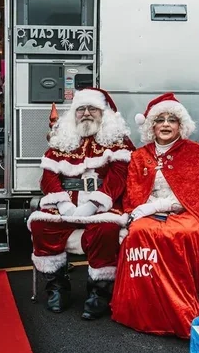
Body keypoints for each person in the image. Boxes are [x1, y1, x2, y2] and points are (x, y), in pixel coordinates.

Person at [111, 92, 199, 339]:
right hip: (148, 213)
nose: (165, 125)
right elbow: (133, 194)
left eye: (171, 120)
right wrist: (137, 213)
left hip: (186, 212)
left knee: (183, 233)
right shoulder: (140, 156)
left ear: (180, 125)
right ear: (151, 125)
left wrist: (153, 207)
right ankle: (146, 310)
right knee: (139, 232)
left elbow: (194, 196)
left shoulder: (193, 152)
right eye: (160, 120)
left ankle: (180, 309)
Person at [27, 88, 135, 320]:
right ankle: (57, 287)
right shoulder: (63, 141)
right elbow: (48, 176)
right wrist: (62, 202)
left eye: (92, 109)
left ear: (103, 113)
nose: (86, 114)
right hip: (66, 202)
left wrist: (94, 204)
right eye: (81, 109)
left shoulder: (118, 142)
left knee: (106, 229)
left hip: (102, 205)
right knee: (41, 224)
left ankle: (99, 291)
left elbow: (119, 177)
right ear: (74, 114)